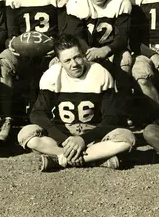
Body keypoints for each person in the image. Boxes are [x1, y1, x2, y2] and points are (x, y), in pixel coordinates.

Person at [17, 34, 135, 171]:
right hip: (61, 133)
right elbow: (37, 114)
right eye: (67, 61)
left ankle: (60, 159)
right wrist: (64, 140)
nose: (74, 64)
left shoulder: (99, 73)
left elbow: (111, 117)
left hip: (92, 133)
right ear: (59, 62)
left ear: (84, 55)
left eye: (77, 57)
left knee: (127, 138)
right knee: (26, 134)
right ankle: (92, 159)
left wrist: (83, 139)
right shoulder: (52, 75)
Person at [0, 0, 70, 142]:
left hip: (50, 50)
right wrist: (14, 45)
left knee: (59, 64)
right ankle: (8, 118)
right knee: (5, 60)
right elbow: (10, 34)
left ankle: (55, 120)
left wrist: (52, 48)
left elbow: (63, 33)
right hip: (21, 49)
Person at [65, 0, 132, 77]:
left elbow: (122, 38)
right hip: (84, 51)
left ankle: (122, 93)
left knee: (125, 57)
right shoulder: (78, 1)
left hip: (111, 51)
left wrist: (105, 50)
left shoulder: (119, 0)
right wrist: (92, 54)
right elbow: (76, 36)